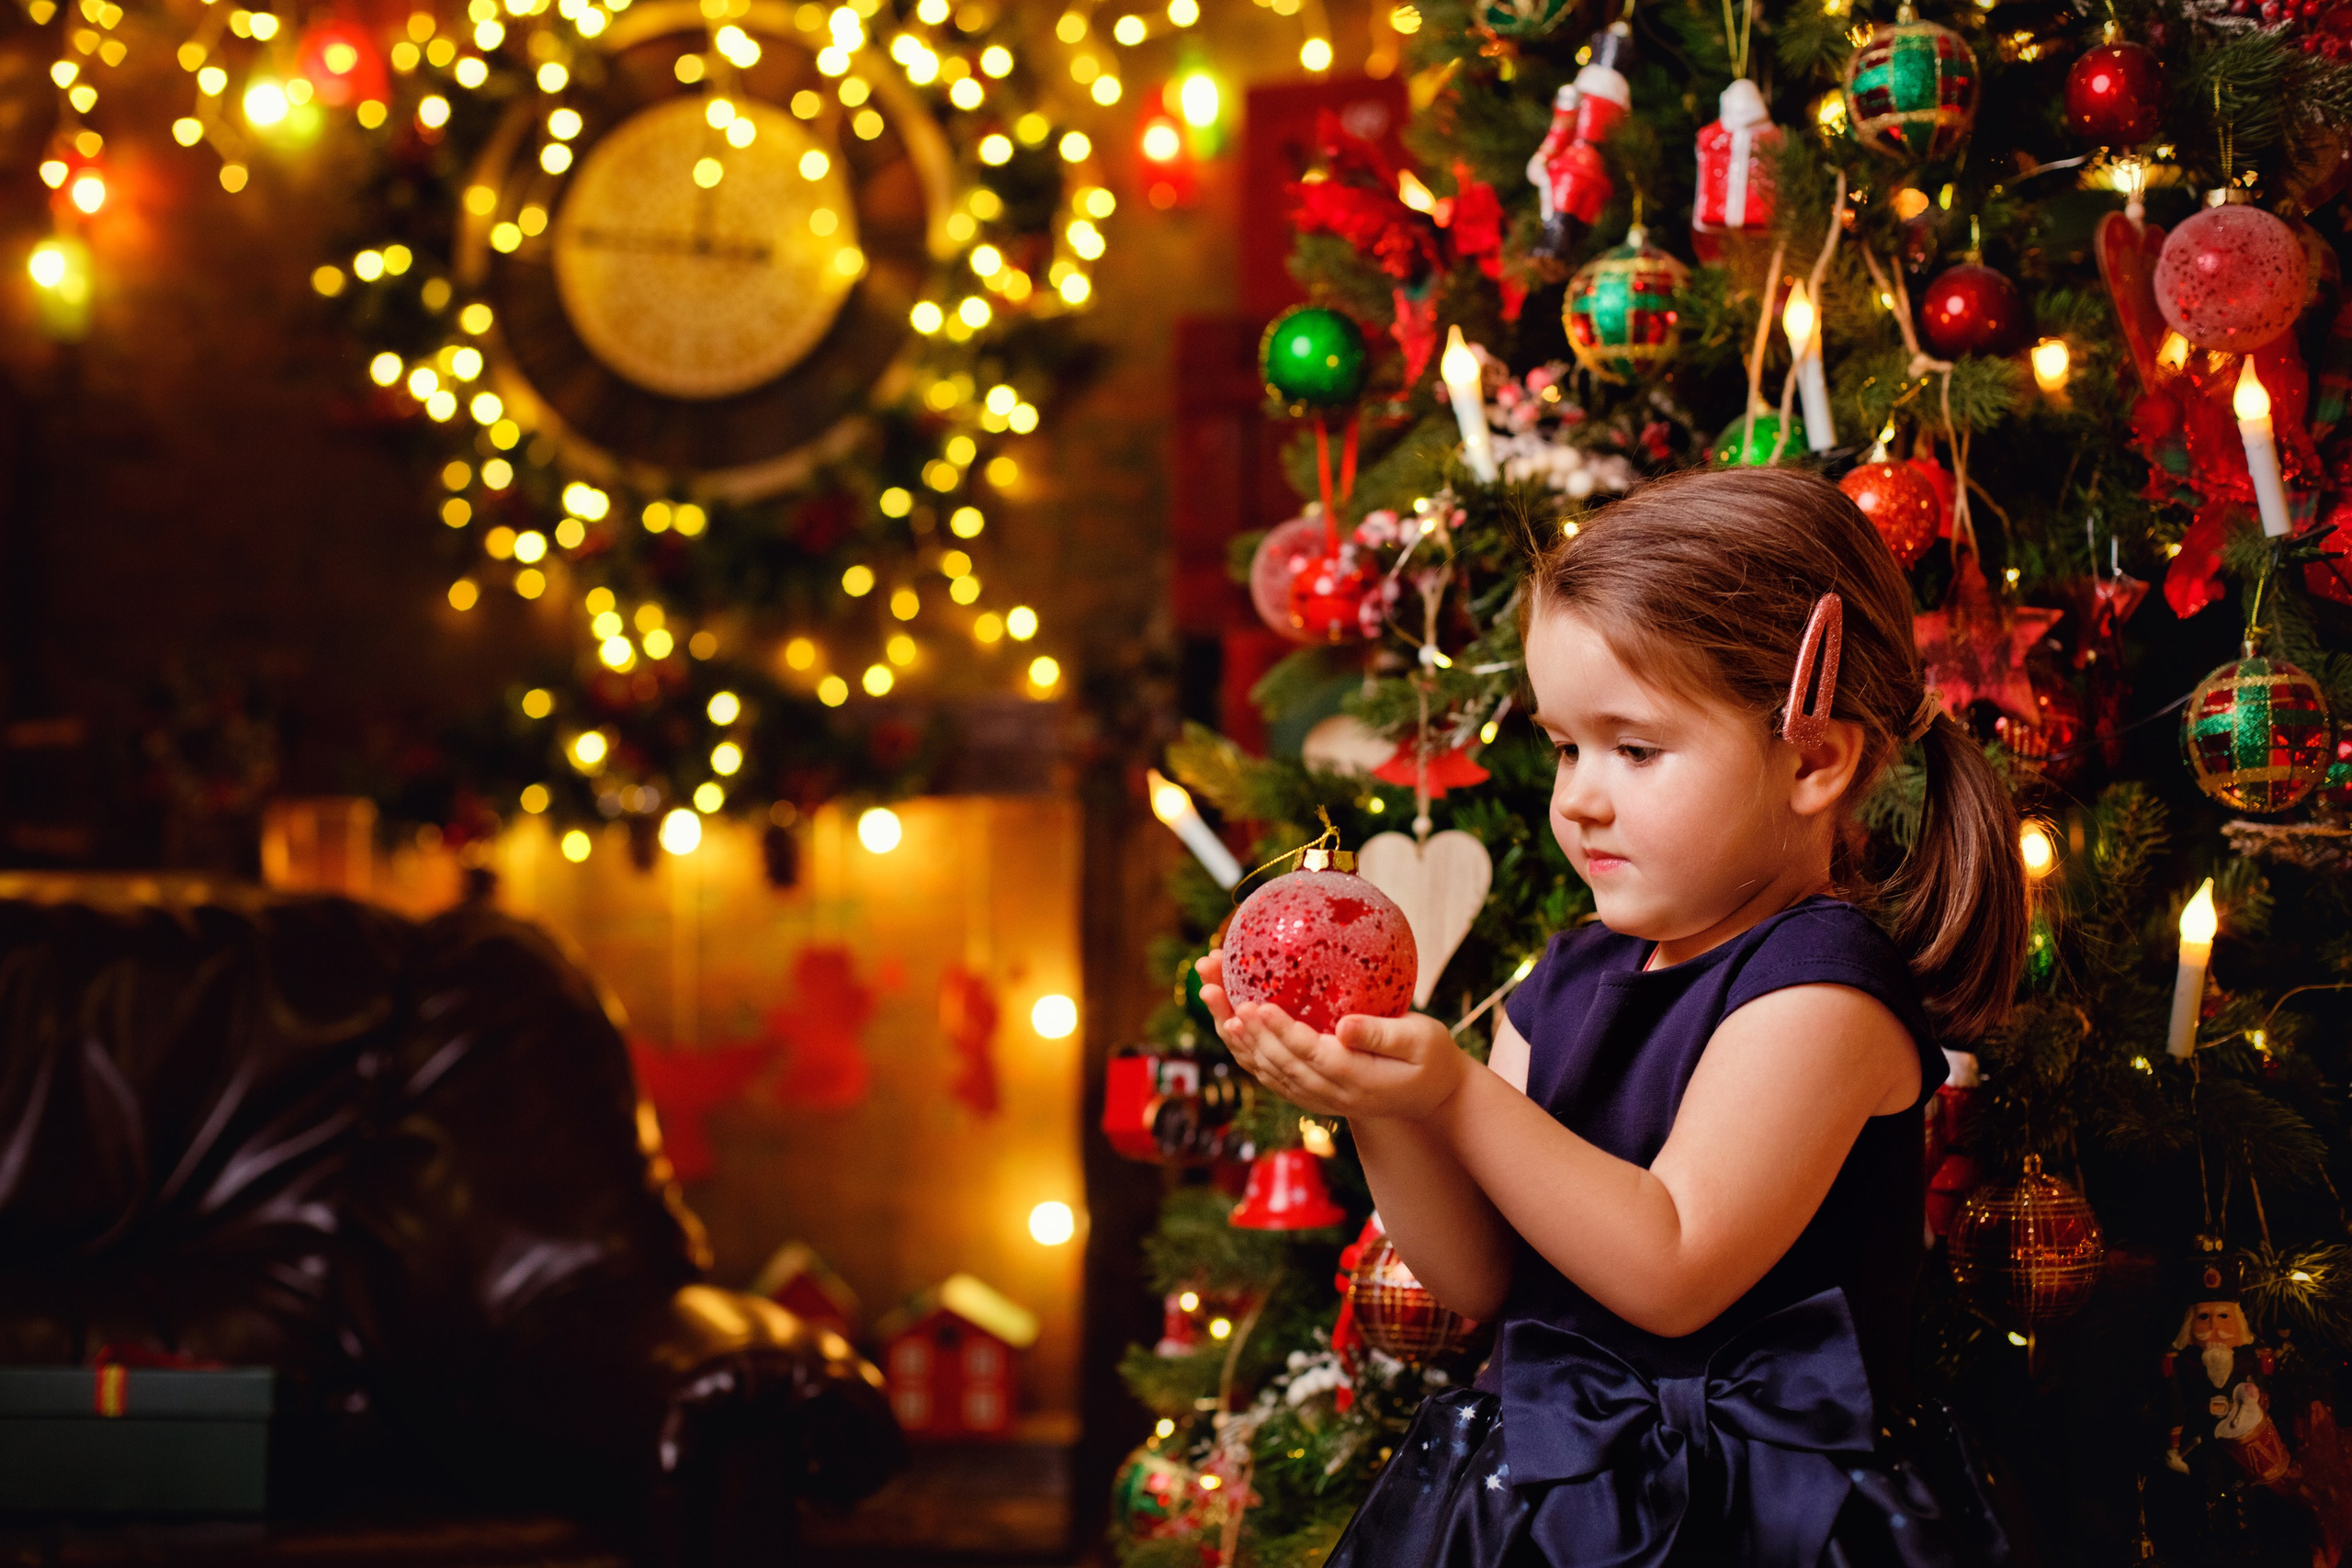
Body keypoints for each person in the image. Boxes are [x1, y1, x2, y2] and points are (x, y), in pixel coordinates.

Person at [1197, 467, 2025, 1565]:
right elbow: (1484, 1277)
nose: (1580, 796)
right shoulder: (1571, 973)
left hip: (1761, 1513)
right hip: (1544, 1486)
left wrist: (1455, 1090)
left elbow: (1673, 1268)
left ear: (1813, 760)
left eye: (1633, 749)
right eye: (1563, 746)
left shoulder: (1824, 991)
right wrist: (1376, 1107)